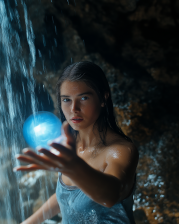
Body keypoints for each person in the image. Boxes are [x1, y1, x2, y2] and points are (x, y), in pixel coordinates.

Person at [14, 61, 139, 224]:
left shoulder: (120, 150)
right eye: (66, 100)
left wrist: (73, 167)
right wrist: (28, 222)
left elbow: (110, 196)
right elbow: (68, 197)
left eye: (84, 98)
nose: (74, 108)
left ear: (103, 97)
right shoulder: (70, 145)